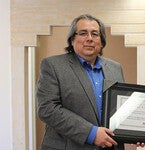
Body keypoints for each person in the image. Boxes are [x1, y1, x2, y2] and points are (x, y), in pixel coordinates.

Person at [36, 14, 125, 150]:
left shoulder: (115, 68)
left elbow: (121, 108)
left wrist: (136, 133)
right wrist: (91, 133)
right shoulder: (52, 65)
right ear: (72, 39)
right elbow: (47, 109)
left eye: (95, 34)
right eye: (83, 33)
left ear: (101, 42)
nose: (89, 38)